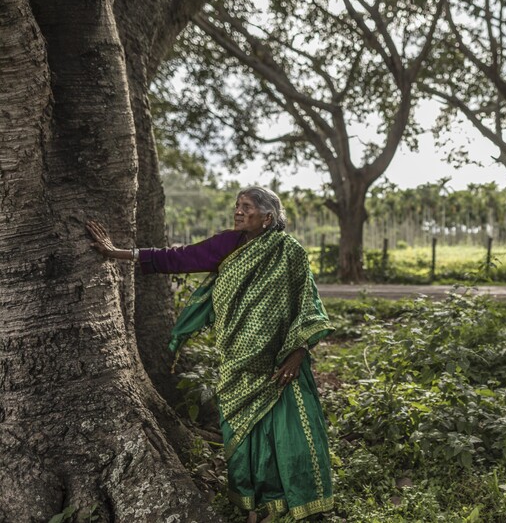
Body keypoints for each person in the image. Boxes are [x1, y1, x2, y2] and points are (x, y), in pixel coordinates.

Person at [87, 187, 335, 522]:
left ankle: (290, 503)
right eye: (236, 206)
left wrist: (298, 353)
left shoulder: (290, 252)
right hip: (238, 360)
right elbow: (179, 257)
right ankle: (253, 507)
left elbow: (309, 306)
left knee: (287, 434)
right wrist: (118, 253)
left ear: (268, 217)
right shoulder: (227, 245)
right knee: (242, 432)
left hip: (281, 363)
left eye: (245, 207)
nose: (237, 212)